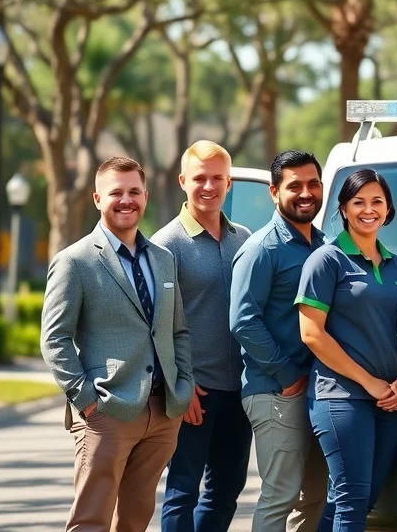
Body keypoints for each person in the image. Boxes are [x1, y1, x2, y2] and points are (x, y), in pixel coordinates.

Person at [40, 156, 194, 532]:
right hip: (106, 412)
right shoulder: (74, 261)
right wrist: (86, 400)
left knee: (136, 519)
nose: (126, 200)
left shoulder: (163, 259)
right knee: (91, 520)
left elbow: (178, 332)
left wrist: (183, 386)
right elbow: (54, 339)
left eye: (134, 192)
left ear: (145, 196)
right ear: (97, 198)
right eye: (116, 193)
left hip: (163, 413)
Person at [296, 169, 397, 532]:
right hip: (341, 397)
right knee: (351, 500)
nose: (369, 210)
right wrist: (370, 382)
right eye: (358, 202)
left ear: (388, 209)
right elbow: (312, 334)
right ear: (344, 209)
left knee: (359, 499)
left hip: (389, 399)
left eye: (377, 202)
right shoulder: (326, 260)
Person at [155, 141, 253, 532]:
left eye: (217, 178)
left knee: (226, 489)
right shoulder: (166, 244)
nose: (208, 186)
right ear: (183, 181)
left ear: (229, 182)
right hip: (195, 391)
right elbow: (154, 324)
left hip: (239, 390)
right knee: (183, 490)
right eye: (200, 178)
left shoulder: (243, 237)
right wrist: (180, 384)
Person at [230, 150, 328, 532]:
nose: (306, 193)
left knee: (315, 496)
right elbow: (243, 321)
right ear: (274, 192)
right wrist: (287, 376)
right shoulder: (261, 249)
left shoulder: (325, 245)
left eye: (313, 184)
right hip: (276, 391)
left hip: (319, 391)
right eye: (295, 186)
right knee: (280, 495)